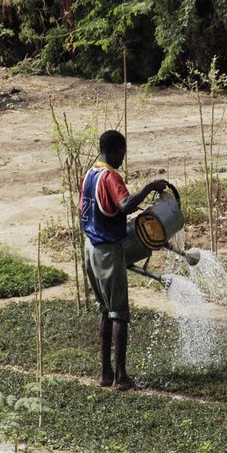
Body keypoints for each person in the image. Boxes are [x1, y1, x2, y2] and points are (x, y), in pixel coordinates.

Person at [79, 130, 167, 391]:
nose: (122, 159)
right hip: (106, 249)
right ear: (116, 149)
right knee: (119, 313)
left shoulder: (90, 173)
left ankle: (106, 374)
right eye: (123, 153)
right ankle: (121, 377)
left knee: (105, 310)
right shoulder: (110, 175)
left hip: (90, 248)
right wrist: (149, 188)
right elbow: (126, 204)